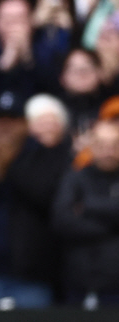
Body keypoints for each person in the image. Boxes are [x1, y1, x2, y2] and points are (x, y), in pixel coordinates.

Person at [52, 119, 119, 308]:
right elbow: (62, 220)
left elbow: (78, 213)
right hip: (77, 281)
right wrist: (113, 228)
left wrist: (88, 207)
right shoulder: (75, 177)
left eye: (115, 145)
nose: (109, 151)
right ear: (92, 146)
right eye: (102, 144)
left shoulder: (81, 190)